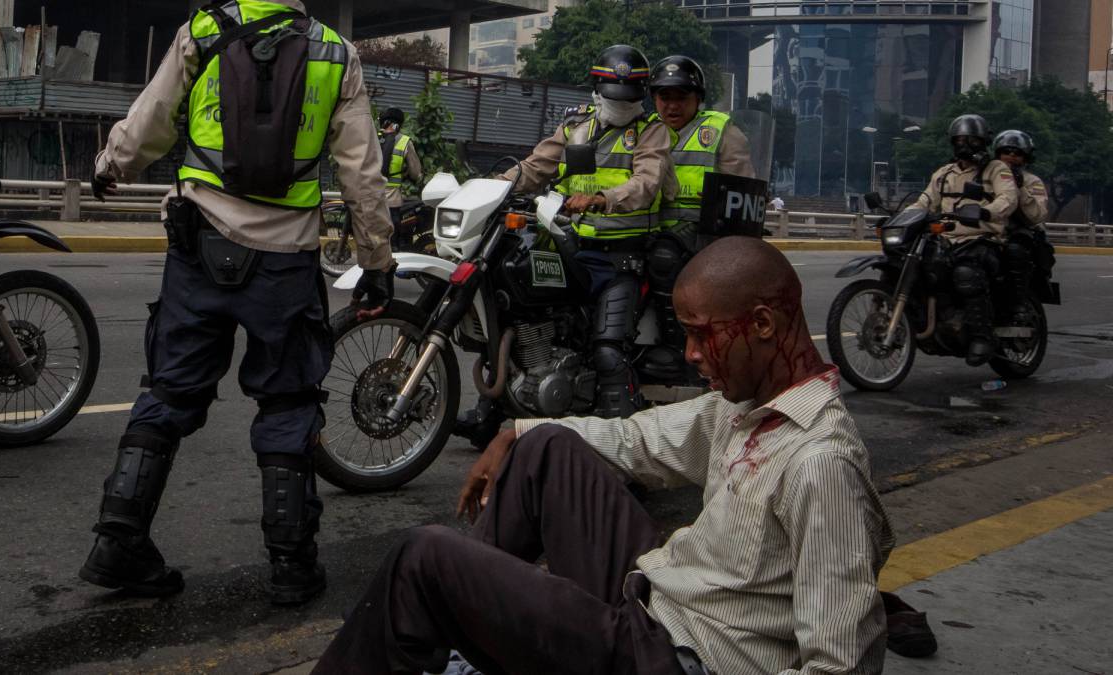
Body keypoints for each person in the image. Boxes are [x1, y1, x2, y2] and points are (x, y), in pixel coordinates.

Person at [312, 237, 894, 675]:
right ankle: (464, 629)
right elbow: (638, 440)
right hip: (657, 602)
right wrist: (516, 428)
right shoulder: (743, 408)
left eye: (700, 334)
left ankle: (441, 618)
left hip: (679, 659)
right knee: (549, 450)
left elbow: (841, 664)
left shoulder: (820, 464)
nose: (689, 354)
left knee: (426, 557)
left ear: (763, 324)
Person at [78, 0, 395, 605]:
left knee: (169, 393)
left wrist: (110, 164)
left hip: (200, 248)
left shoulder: (202, 31)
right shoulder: (336, 51)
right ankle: (291, 565)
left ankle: (117, 544)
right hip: (285, 262)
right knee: (287, 402)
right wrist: (376, 261)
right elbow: (361, 172)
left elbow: (152, 121)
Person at [498, 44, 677, 418]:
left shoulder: (651, 132)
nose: (622, 104)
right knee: (518, 319)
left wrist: (601, 198)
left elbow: (645, 183)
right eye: (614, 96)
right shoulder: (576, 126)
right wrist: (492, 187)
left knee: (608, 350)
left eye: (630, 98)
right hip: (570, 248)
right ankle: (495, 411)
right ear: (597, 89)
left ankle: (623, 435)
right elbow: (534, 168)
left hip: (621, 260)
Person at [644, 55, 754, 367]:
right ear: (654, 99)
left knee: (664, 257)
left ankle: (678, 348)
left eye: (681, 98)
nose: (672, 106)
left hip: (703, 235)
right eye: (665, 98)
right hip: (646, 226)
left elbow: (743, 192)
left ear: (698, 99)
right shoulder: (644, 129)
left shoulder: (720, 131)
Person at [909, 114, 1018, 366]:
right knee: (913, 264)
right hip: (947, 239)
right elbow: (924, 201)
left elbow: (1008, 198)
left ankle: (982, 336)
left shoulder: (996, 169)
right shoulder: (944, 173)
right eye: (959, 139)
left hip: (983, 239)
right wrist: (903, 218)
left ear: (983, 142)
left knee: (966, 274)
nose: (964, 145)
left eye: (971, 140)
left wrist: (987, 211)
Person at [993, 129, 1052, 321]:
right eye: (1006, 151)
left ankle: (1018, 304)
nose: (1011, 156)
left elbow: (1037, 215)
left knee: (1015, 250)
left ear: (1025, 158)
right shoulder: (987, 176)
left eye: (1017, 153)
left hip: (1020, 233)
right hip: (988, 231)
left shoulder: (1032, 181)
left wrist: (1020, 188)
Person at [377, 107, 423, 248]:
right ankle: (395, 251)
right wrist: (415, 176)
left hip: (370, 194)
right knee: (394, 234)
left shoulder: (373, 137)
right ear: (398, 125)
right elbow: (416, 172)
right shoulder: (404, 142)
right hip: (391, 199)